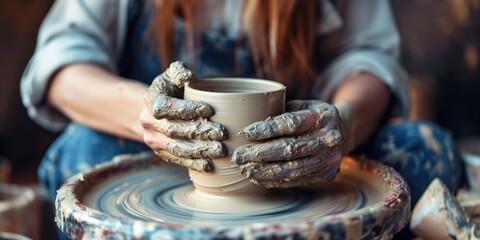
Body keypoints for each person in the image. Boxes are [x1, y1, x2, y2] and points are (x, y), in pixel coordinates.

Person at [22, 0, 462, 225]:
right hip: (160, 164)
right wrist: (146, 114)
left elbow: (368, 58)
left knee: (424, 149)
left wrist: (342, 124)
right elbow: (62, 64)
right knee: (79, 151)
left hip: (297, 177)